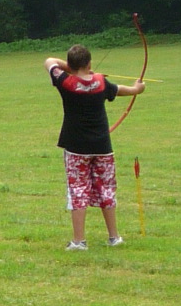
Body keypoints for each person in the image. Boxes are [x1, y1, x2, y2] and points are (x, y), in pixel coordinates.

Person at [44, 44, 144, 251]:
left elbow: (49, 61)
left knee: (78, 191)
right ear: (89, 63)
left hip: (76, 148)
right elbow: (120, 90)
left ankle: (79, 241)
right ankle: (114, 237)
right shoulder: (101, 82)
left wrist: (72, 69)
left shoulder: (65, 82)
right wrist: (137, 89)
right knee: (106, 190)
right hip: (102, 146)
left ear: (70, 64)